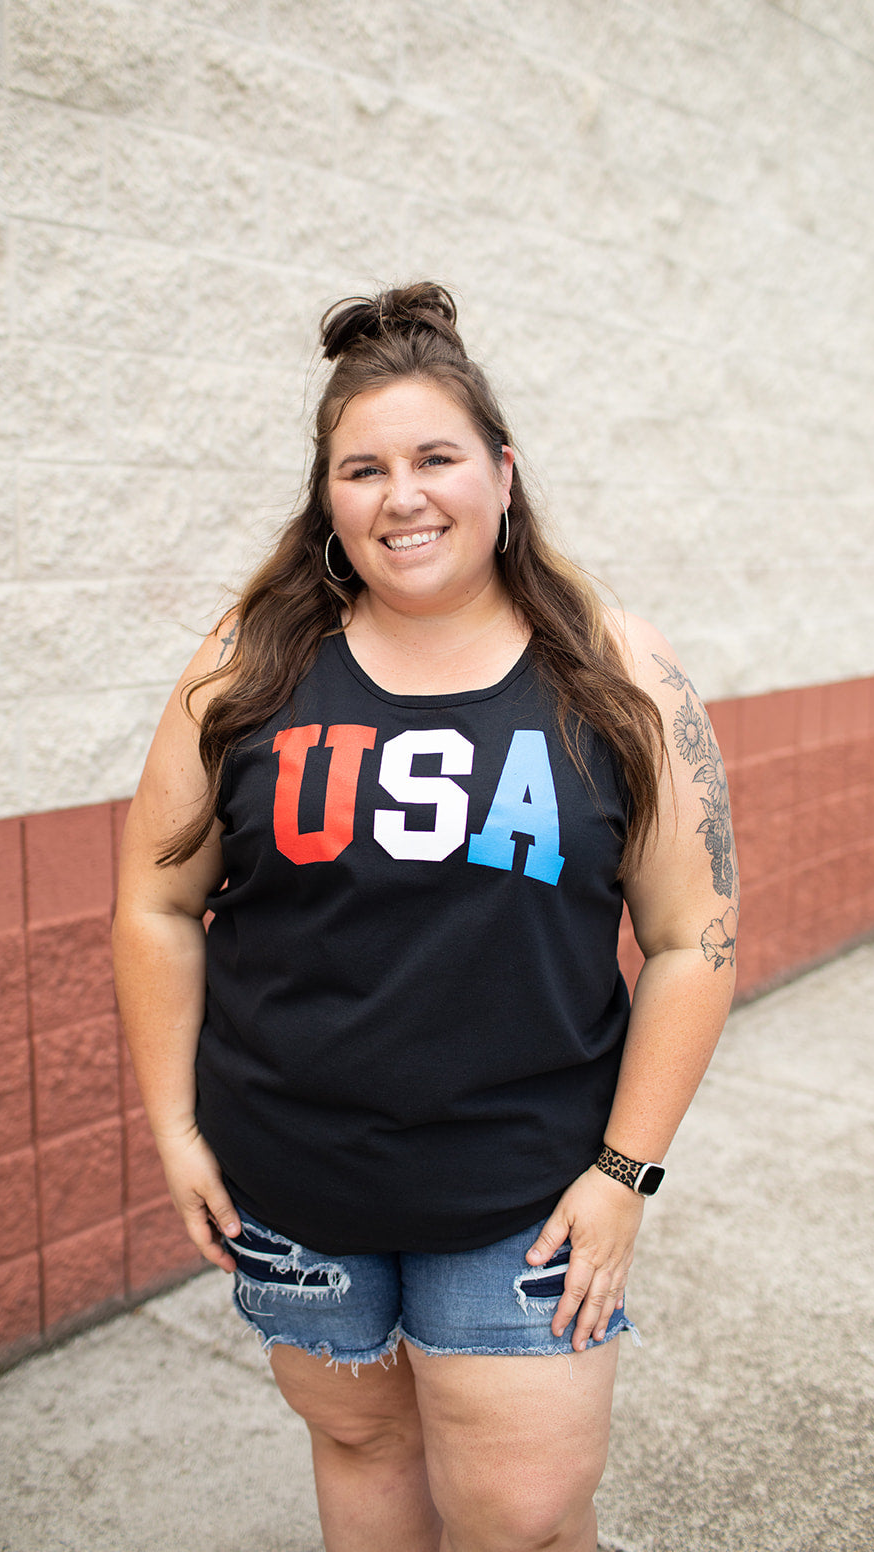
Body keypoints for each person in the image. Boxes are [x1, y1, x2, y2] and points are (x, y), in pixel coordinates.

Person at [112, 282, 738, 1552]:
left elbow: (694, 939)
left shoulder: (616, 670)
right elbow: (156, 902)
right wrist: (175, 1129)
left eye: (434, 458)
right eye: (363, 469)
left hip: (527, 1187)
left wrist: (624, 1172)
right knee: (361, 1447)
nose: (401, 496)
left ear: (501, 473)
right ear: (328, 499)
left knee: (521, 1512)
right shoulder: (248, 661)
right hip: (290, 1181)